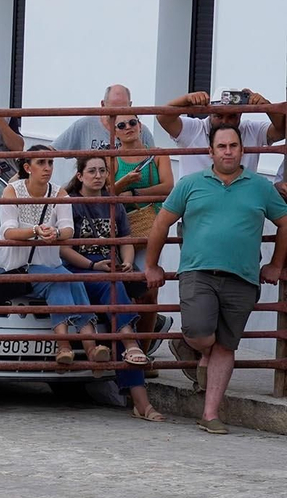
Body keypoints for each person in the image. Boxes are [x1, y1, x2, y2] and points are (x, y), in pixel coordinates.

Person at [145, 122, 287, 433]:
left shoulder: (260, 186)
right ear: (210, 152)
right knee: (198, 332)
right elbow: (161, 223)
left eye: (233, 146)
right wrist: (153, 265)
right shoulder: (190, 183)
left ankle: (210, 414)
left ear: (242, 150)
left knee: (227, 345)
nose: (227, 151)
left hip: (243, 277)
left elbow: (284, 222)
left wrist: (276, 264)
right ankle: (197, 349)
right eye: (221, 146)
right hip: (198, 272)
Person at [62, 155, 160, 420]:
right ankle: (131, 343)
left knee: (128, 290)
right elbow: (63, 248)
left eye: (102, 171)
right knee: (115, 292)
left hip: (110, 270)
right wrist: (93, 267)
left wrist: (127, 262)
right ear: (80, 176)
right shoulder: (69, 203)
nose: (97, 175)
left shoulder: (113, 204)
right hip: (81, 269)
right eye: (91, 171)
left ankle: (141, 400)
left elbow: (125, 239)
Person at [0, 149, 96, 366]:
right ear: (27, 168)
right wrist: (36, 231)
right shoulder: (12, 191)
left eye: (50, 162)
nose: (48, 167)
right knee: (60, 280)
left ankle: (85, 348)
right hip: (15, 266)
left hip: (46, 265)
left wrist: (56, 233)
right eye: (41, 162)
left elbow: (68, 229)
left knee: (74, 281)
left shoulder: (59, 193)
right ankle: (72, 345)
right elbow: (8, 231)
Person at [109, 114, 174, 357]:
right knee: (127, 289)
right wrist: (123, 182)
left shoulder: (158, 154)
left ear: (141, 125)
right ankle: (128, 348)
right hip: (120, 232)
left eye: (132, 123)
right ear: (115, 132)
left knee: (149, 289)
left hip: (150, 229)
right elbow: (104, 193)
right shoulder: (112, 159)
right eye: (121, 125)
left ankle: (143, 351)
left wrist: (135, 192)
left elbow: (168, 187)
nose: (128, 128)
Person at [156, 89, 287, 180]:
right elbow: (163, 118)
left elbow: (282, 131)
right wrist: (186, 100)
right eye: (219, 115)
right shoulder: (194, 129)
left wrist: (266, 106)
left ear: (241, 114)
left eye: (232, 116)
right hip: (200, 207)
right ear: (209, 112)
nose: (225, 122)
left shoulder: (252, 129)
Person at [54, 84, 156, 153]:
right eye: (113, 109)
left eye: (123, 109)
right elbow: (53, 149)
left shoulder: (141, 130)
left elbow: (155, 162)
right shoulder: (84, 125)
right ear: (103, 105)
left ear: (130, 106)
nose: (117, 114)